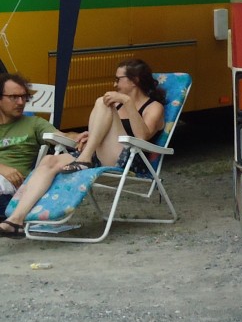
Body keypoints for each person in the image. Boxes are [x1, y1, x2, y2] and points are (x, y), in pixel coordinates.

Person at [1, 59, 165, 238]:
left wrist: (127, 102)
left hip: (131, 160)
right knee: (49, 161)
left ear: (134, 81)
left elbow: (141, 137)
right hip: (99, 156)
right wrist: (89, 136)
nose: (115, 84)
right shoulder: (115, 105)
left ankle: (84, 158)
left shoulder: (154, 107)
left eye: (118, 79)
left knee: (103, 102)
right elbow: (103, 134)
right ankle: (16, 220)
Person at [0, 73, 58, 227]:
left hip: (12, 190)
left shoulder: (34, 123)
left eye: (24, 97)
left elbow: (61, 136)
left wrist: (79, 137)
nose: (21, 102)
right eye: (13, 97)